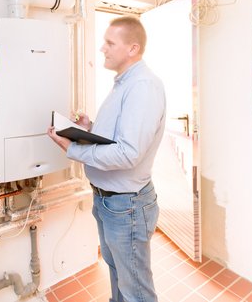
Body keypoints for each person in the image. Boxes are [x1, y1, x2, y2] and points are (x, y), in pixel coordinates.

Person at [47, 16, 166, 302]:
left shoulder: (143, 87)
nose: (103, 48)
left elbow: (127, 152)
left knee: (135, 289)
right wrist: (89, 129)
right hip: (110, 201)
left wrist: (73, 149)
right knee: (119, 275)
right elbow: (119, 136)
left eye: (110, 43)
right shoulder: (124, 84)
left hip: (127, 205)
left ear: (132, 48)